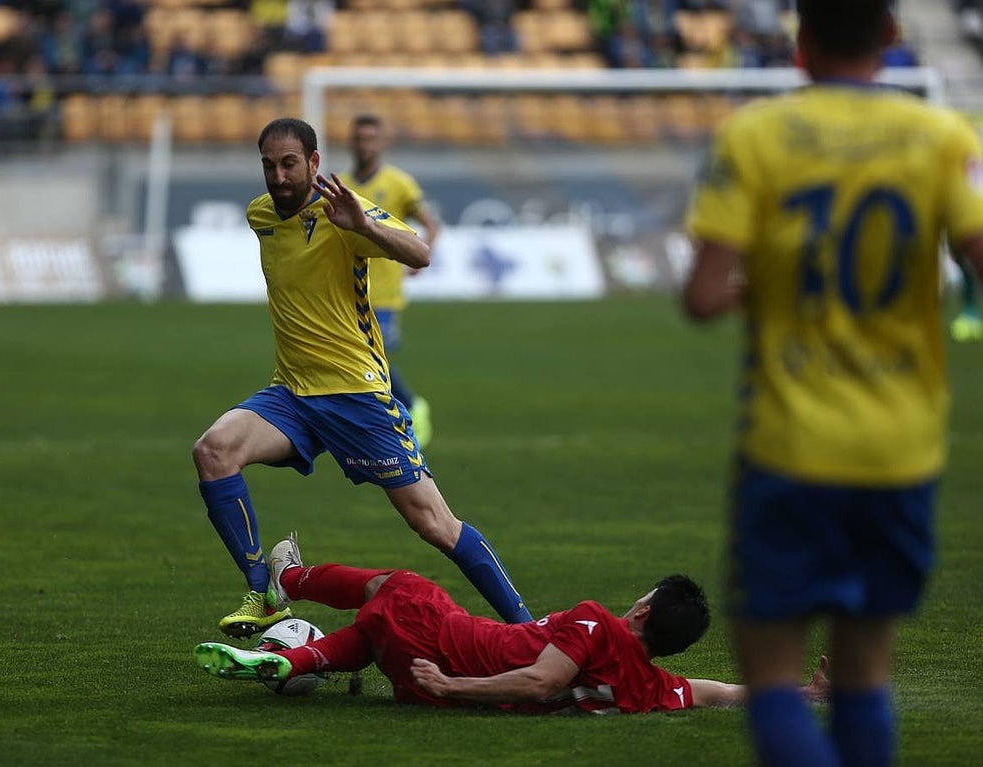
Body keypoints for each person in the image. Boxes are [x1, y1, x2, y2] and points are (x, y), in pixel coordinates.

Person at [682, 1, 983, 765]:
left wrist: (776, 281)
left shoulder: (756, 134)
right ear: (889, 37)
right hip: (901, 446)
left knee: (775, 677)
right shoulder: (943, 136)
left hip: (791, 443)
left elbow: (704, 297)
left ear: (799, 41)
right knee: (862, 672)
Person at [193, 118, 531, 640]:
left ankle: (528, 628)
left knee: (434, 525)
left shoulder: (341, 212)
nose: (278, 176)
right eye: (269, 165)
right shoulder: (260, 215)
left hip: (356, 396)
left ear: (314, 163)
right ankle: (263, 591)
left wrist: (364, 226)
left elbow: (421, 251)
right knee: (214, 450)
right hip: (292, 393)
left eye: (289, 164)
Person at [195, 534, 830, 713]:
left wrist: (452, 686)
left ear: (640, 612)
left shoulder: (593, 623)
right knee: (371, 638)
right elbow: (715, 692)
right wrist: (798, 692)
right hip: (421, 681)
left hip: (450, 653)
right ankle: (293, 662)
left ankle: (289, 581)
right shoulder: (649, 687)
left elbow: (540, 683)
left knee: (395, 587)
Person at [339, 114, 443, 447]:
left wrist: (418, 261)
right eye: (359, 138)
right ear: (351, 142)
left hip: (384, 292)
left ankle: (410, 407)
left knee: (371, 358)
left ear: (382, 142)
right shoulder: (340, 184)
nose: (365, 144)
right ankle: (381, 418)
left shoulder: (399, 183)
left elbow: (431, 224)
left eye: (371, 138)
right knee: (354, 359)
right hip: (346, 291)